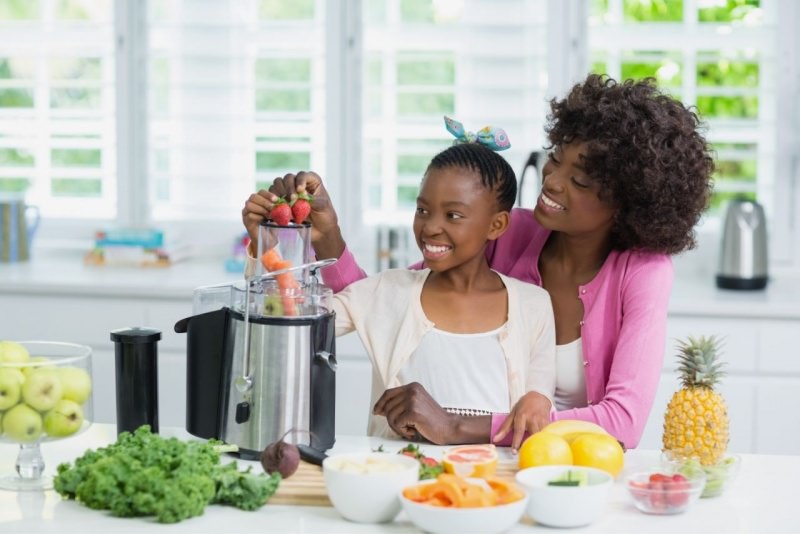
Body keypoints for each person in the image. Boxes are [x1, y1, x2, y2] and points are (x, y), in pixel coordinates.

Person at [242, 74, 715, 450]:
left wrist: (456, 424)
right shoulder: (515, 230)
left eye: (582, 180)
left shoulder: (644, 272)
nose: (552, 181)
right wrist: (327, 237)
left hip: (574, 467)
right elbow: (392, 301)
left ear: (626, 202)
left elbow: (623, 423)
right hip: (488, 464)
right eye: (556, 158)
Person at [245, 132, 557, 443]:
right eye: (423, 210)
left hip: (490, 485)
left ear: (497, 225)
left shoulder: (534, 305)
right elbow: (286, 322)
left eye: (453, 215)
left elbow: (534, 418)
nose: (431, 227)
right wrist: (268, 244)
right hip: (395, 476)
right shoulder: (386, 291)